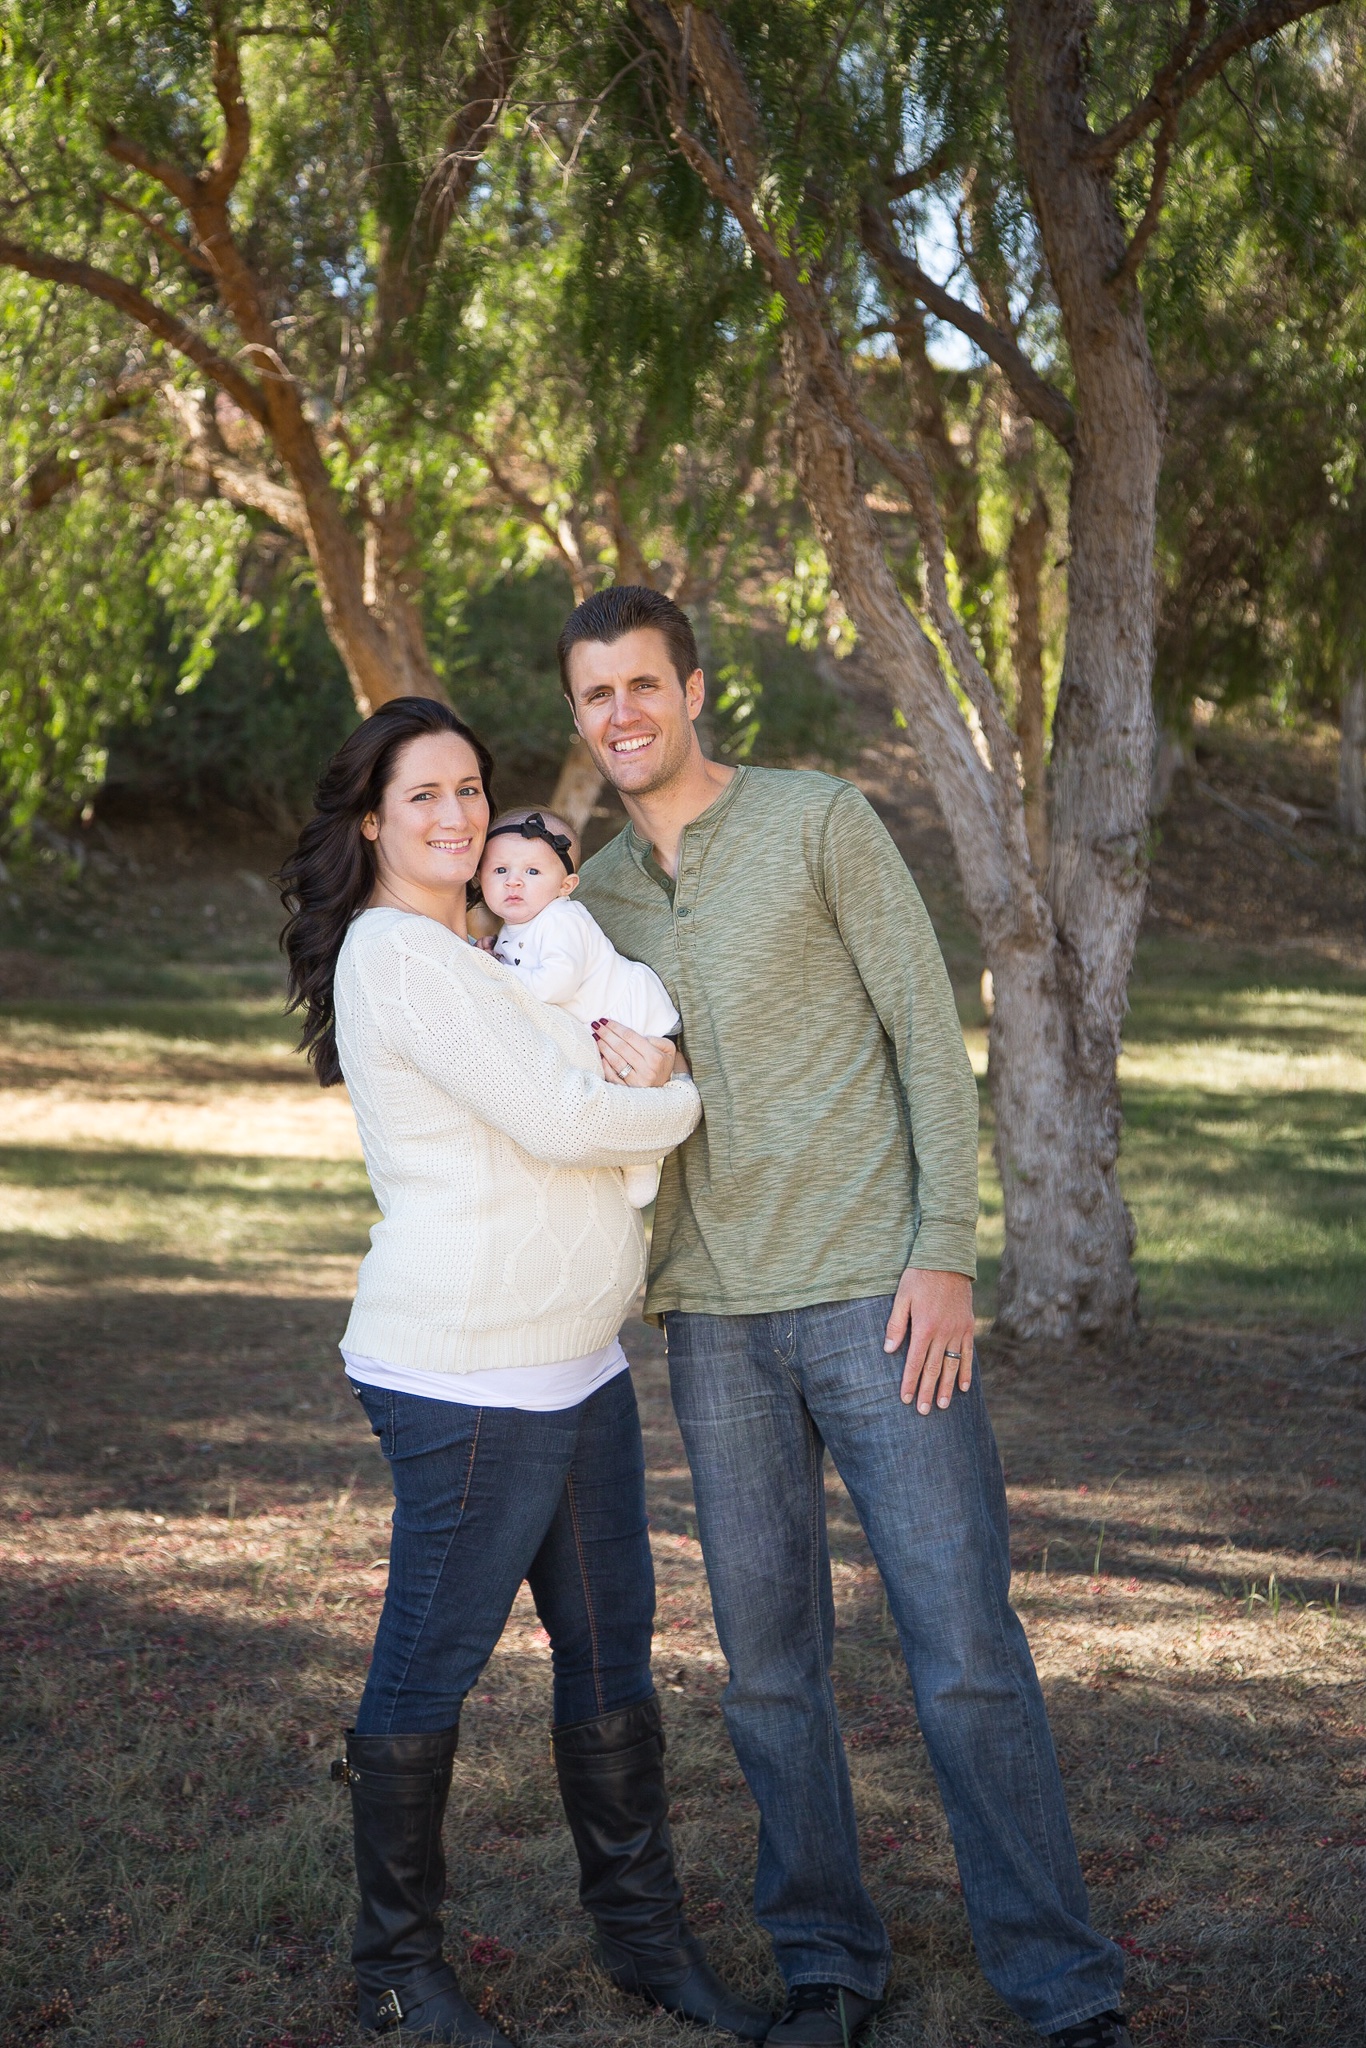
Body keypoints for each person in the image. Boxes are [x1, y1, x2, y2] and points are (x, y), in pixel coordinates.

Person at [565, 587, 1132, 2048]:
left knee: (964, 1652)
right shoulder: (590, 903)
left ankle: (1059, 1983)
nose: (622, 713)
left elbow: (925, 1042)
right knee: (767, 1674)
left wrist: (945, 1256)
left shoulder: (818, 820)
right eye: (595, 694)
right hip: (714, 1324)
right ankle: (824, 1961)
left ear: (694, 688)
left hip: (881, 1302)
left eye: (642, 684)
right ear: (578, 716)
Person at [278, 697, 769, 2047]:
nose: (454, 815)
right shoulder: (397, 955)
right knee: (429, 1665)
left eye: (468, 789)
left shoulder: (487, 948)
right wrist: (677, 1095)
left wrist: (638, 1077)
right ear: (370, 820)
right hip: (467, 1375)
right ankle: (394, 1968)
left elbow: (583, 1073)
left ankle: (642, 1936)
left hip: (576, 1365)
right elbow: (565, 1116)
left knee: (609, 1657)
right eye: (421, 794)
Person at [478, 805, 680, 1206]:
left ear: (565, 885)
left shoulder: (562, 918)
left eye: (532, 871)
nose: (514, 881)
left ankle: (642, 1160)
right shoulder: (516, 926)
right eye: (500, 870)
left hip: (629, 1015)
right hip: (595, 1024)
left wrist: (496, 975)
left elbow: (557, 981)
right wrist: (492, 956)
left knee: (632, 1090)